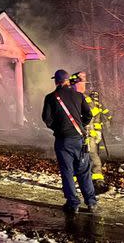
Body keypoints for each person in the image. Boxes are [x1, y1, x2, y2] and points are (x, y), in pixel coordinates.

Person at [42, 69, 97, 214]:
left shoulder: (51, 97)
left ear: (56, 81)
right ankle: (91, 202)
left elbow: (47, 119)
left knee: (67, 172)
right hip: (79, 139)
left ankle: (73, 204)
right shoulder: (78, 96)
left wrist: (58, 128)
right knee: (84, 171)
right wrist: (81, 125)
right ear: (67, 80)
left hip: (63, 141)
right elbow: (88, 115)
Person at [70, 71, 112, 194]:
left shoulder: (88, 99)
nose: (84, 85)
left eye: (84, 83)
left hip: (90, 135)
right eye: (82, 83)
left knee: (94, 157)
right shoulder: (70, 98)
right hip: (76, 135)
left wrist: (97, 131)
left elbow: (96, 116)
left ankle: (97, 181)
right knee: (75, 158)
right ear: (74, 84)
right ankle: (73, 183)